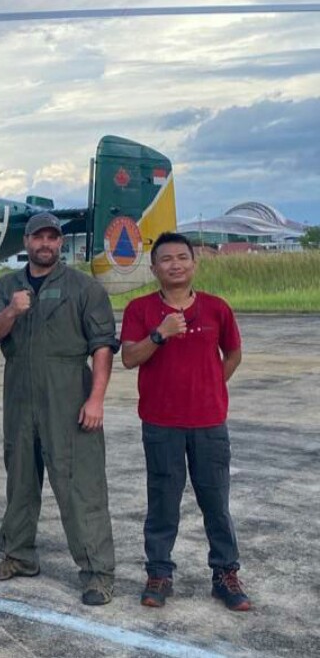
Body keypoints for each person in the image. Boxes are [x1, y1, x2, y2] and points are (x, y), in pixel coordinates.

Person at [0, 211, 118, 606]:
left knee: (80, 484)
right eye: (38, 237)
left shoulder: (83, 288)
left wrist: (96, 398)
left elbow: (103, 345)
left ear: (59, 243)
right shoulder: (5, 287)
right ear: (26, 242)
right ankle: (19, 555)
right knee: (20, 478)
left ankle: (97, 572)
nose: (46, 244)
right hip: (20, 393)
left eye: (52, 238)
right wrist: (11, 312)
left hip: (70, 392)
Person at [120, 232, 250, 611]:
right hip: (161, 424)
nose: (175, 264)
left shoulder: (216, 308)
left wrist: (209, 386)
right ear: (154, 267)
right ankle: (159, 572)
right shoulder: (140, 310)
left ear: (194, 263)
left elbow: (234, 354)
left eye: (182, 257)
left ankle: (225, 574)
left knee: (216, 501)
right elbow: (129, 358)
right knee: (163, 500)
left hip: (209, 423)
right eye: (166, 259)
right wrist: (160, 335)